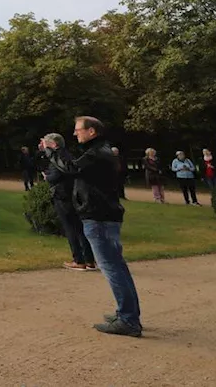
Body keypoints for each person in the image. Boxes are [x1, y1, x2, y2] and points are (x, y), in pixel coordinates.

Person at [68, 116, 142, 338]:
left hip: (98, 216)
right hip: (104, 214)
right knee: (117, 266)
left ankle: (128, 320)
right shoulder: (102, 151)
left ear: (92, 131)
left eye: (78, 129)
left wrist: (54, 151)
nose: (75, 133)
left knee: (112, 268)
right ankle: (128, 314)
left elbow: (71, 168)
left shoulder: (97, 153)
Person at [42, 133, 96, 272]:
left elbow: (56, 176)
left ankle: (79, 260)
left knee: (71, 228)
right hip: (72, 194)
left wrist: (47, 177)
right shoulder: (68, 155)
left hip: (63, 195)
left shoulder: (59, 157)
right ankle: (89, 260)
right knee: (79, 227)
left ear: (54, 144)